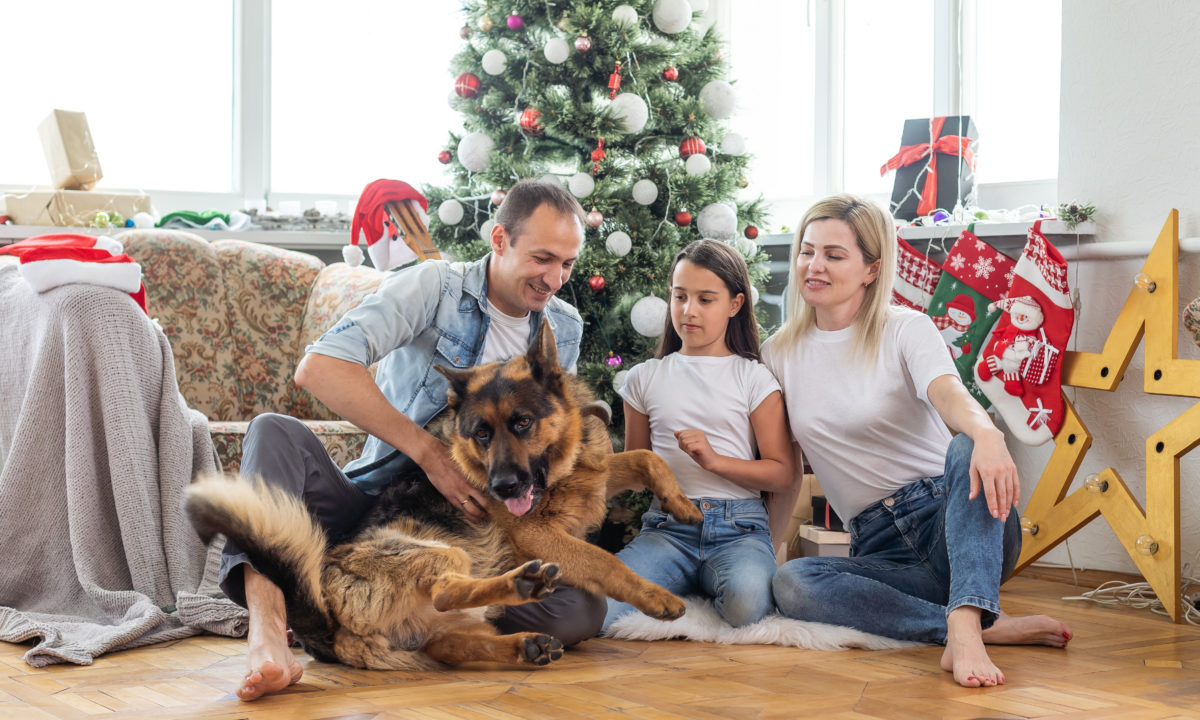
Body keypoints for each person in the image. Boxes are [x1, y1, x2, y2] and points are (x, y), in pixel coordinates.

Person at [221, 179, 602, 700]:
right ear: (499, 240)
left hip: (468, 538)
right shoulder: (434, 287)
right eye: (542, 258)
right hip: (371, 506)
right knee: (272, 431)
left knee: (582, 608)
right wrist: (429, 454)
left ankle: (410, 625)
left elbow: (552, 441)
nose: (554, 279)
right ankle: (269, 631)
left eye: (567, 264)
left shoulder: (564, 326)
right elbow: (321, 367)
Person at [762, 195, 1072, 688]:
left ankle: (966, 626)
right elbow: (786, 471)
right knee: (792, 583)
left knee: (966, 446)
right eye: (807, 251)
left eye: (834, 255)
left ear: (871, 269)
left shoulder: (906, 328)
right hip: (880, 548)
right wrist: (769, 550)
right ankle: (973, 625)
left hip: (954, 519)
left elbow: (949, 394)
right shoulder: (777, 353)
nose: (814, 265)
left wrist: (987, 433)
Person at [603, 239, 794, 632]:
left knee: (746, 605)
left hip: (739, 531)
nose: (688, 310)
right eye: (679, 296)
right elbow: (637, 473)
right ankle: (681, 577)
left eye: (705, 299)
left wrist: (714, 461)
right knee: (602, 604)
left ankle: (709, 580)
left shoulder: (754, 378)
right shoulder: (645, 378)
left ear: (735, 304)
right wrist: (606, 463)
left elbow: (782, 473)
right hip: (667, 530)